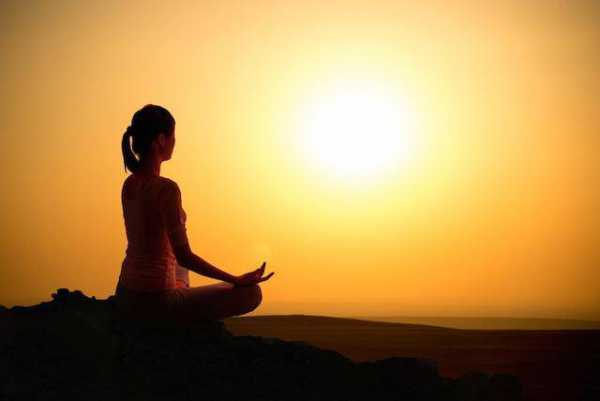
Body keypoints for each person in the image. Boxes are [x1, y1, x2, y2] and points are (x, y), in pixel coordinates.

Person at [115, 104, 275, 325]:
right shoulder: (167, 189)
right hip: (155, 303)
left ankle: (178, 293)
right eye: (173, 136)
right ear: (161, 140)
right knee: (252, 293)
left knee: (178, 268)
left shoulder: (129, 184)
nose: (175, 142)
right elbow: (185, 256)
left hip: (126, 293)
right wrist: (235, 279)